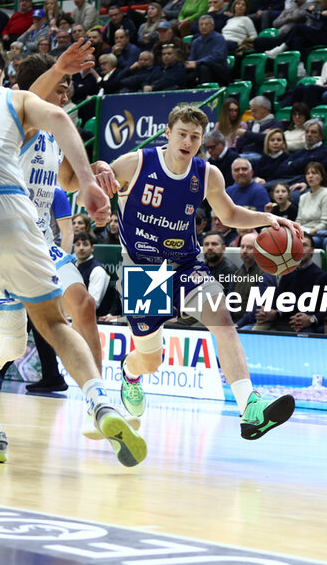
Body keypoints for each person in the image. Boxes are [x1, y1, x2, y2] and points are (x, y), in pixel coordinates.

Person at [0, 41, 136, 464]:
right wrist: (87, 178)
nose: (65, 94)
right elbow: (41, 100)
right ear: (0, 76)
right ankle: (98, 397)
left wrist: (92, 171)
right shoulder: (19, 105)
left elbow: (63, 177)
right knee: (20, 338)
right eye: (61, 86)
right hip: (14, 218)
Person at [93, 103, 301, 439]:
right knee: (150, 360)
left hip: (185, 263)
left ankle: (250, 407)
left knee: (222, 319)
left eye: (195, 136)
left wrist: (269, 218)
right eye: (183, 134)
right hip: (144, 270)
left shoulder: (207, 174)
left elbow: (229, 215)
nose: (188, 141)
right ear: (168, 134)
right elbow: (95, 191)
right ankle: (130, 374)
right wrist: (100, 202)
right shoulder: (136, 163)